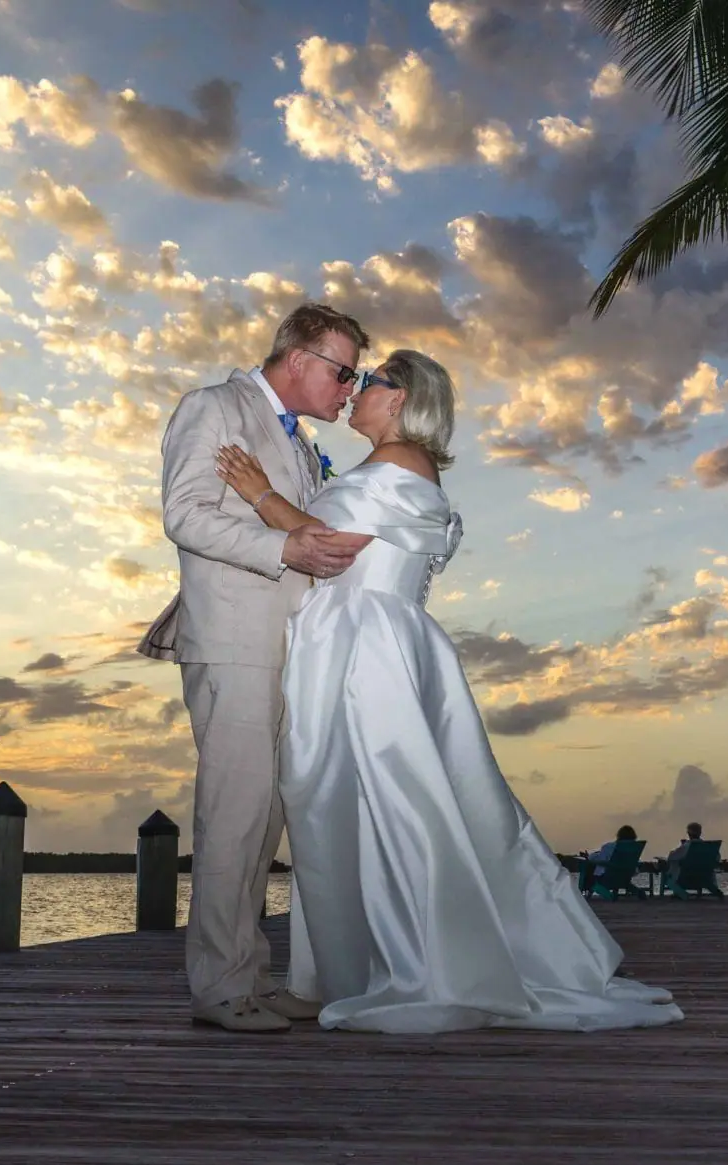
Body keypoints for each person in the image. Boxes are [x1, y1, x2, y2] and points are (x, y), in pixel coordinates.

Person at [213, 348, 682, 1034]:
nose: (355, 391)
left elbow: (331, 544)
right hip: (344, 638)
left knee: (393, 800)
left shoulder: (403, 461)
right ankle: (335, 973)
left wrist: (259, 493)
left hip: (368, 645)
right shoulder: (386, 464)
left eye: (368, 382)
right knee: (332, 802)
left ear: (401, 398)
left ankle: (420, 965)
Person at [139, 303, 376, 1034]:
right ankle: (217, 989)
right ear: (299, 358)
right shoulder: (214, 407)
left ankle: (249, 972)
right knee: (234, 813)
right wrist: (283, 549)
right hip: (235, 636)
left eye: (357, 376)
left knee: (267, 816)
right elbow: (184, 515)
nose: (350, 386)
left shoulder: (299, 444)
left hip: (287, 643)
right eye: (344, 371)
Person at [580, 825, 638, 895]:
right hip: (625, 878)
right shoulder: (634, 848)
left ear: (619, 835)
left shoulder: (608, 846)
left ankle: (585, 889)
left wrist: (591, 860)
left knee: (589, 867)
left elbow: (601, 863)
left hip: (606, 879)